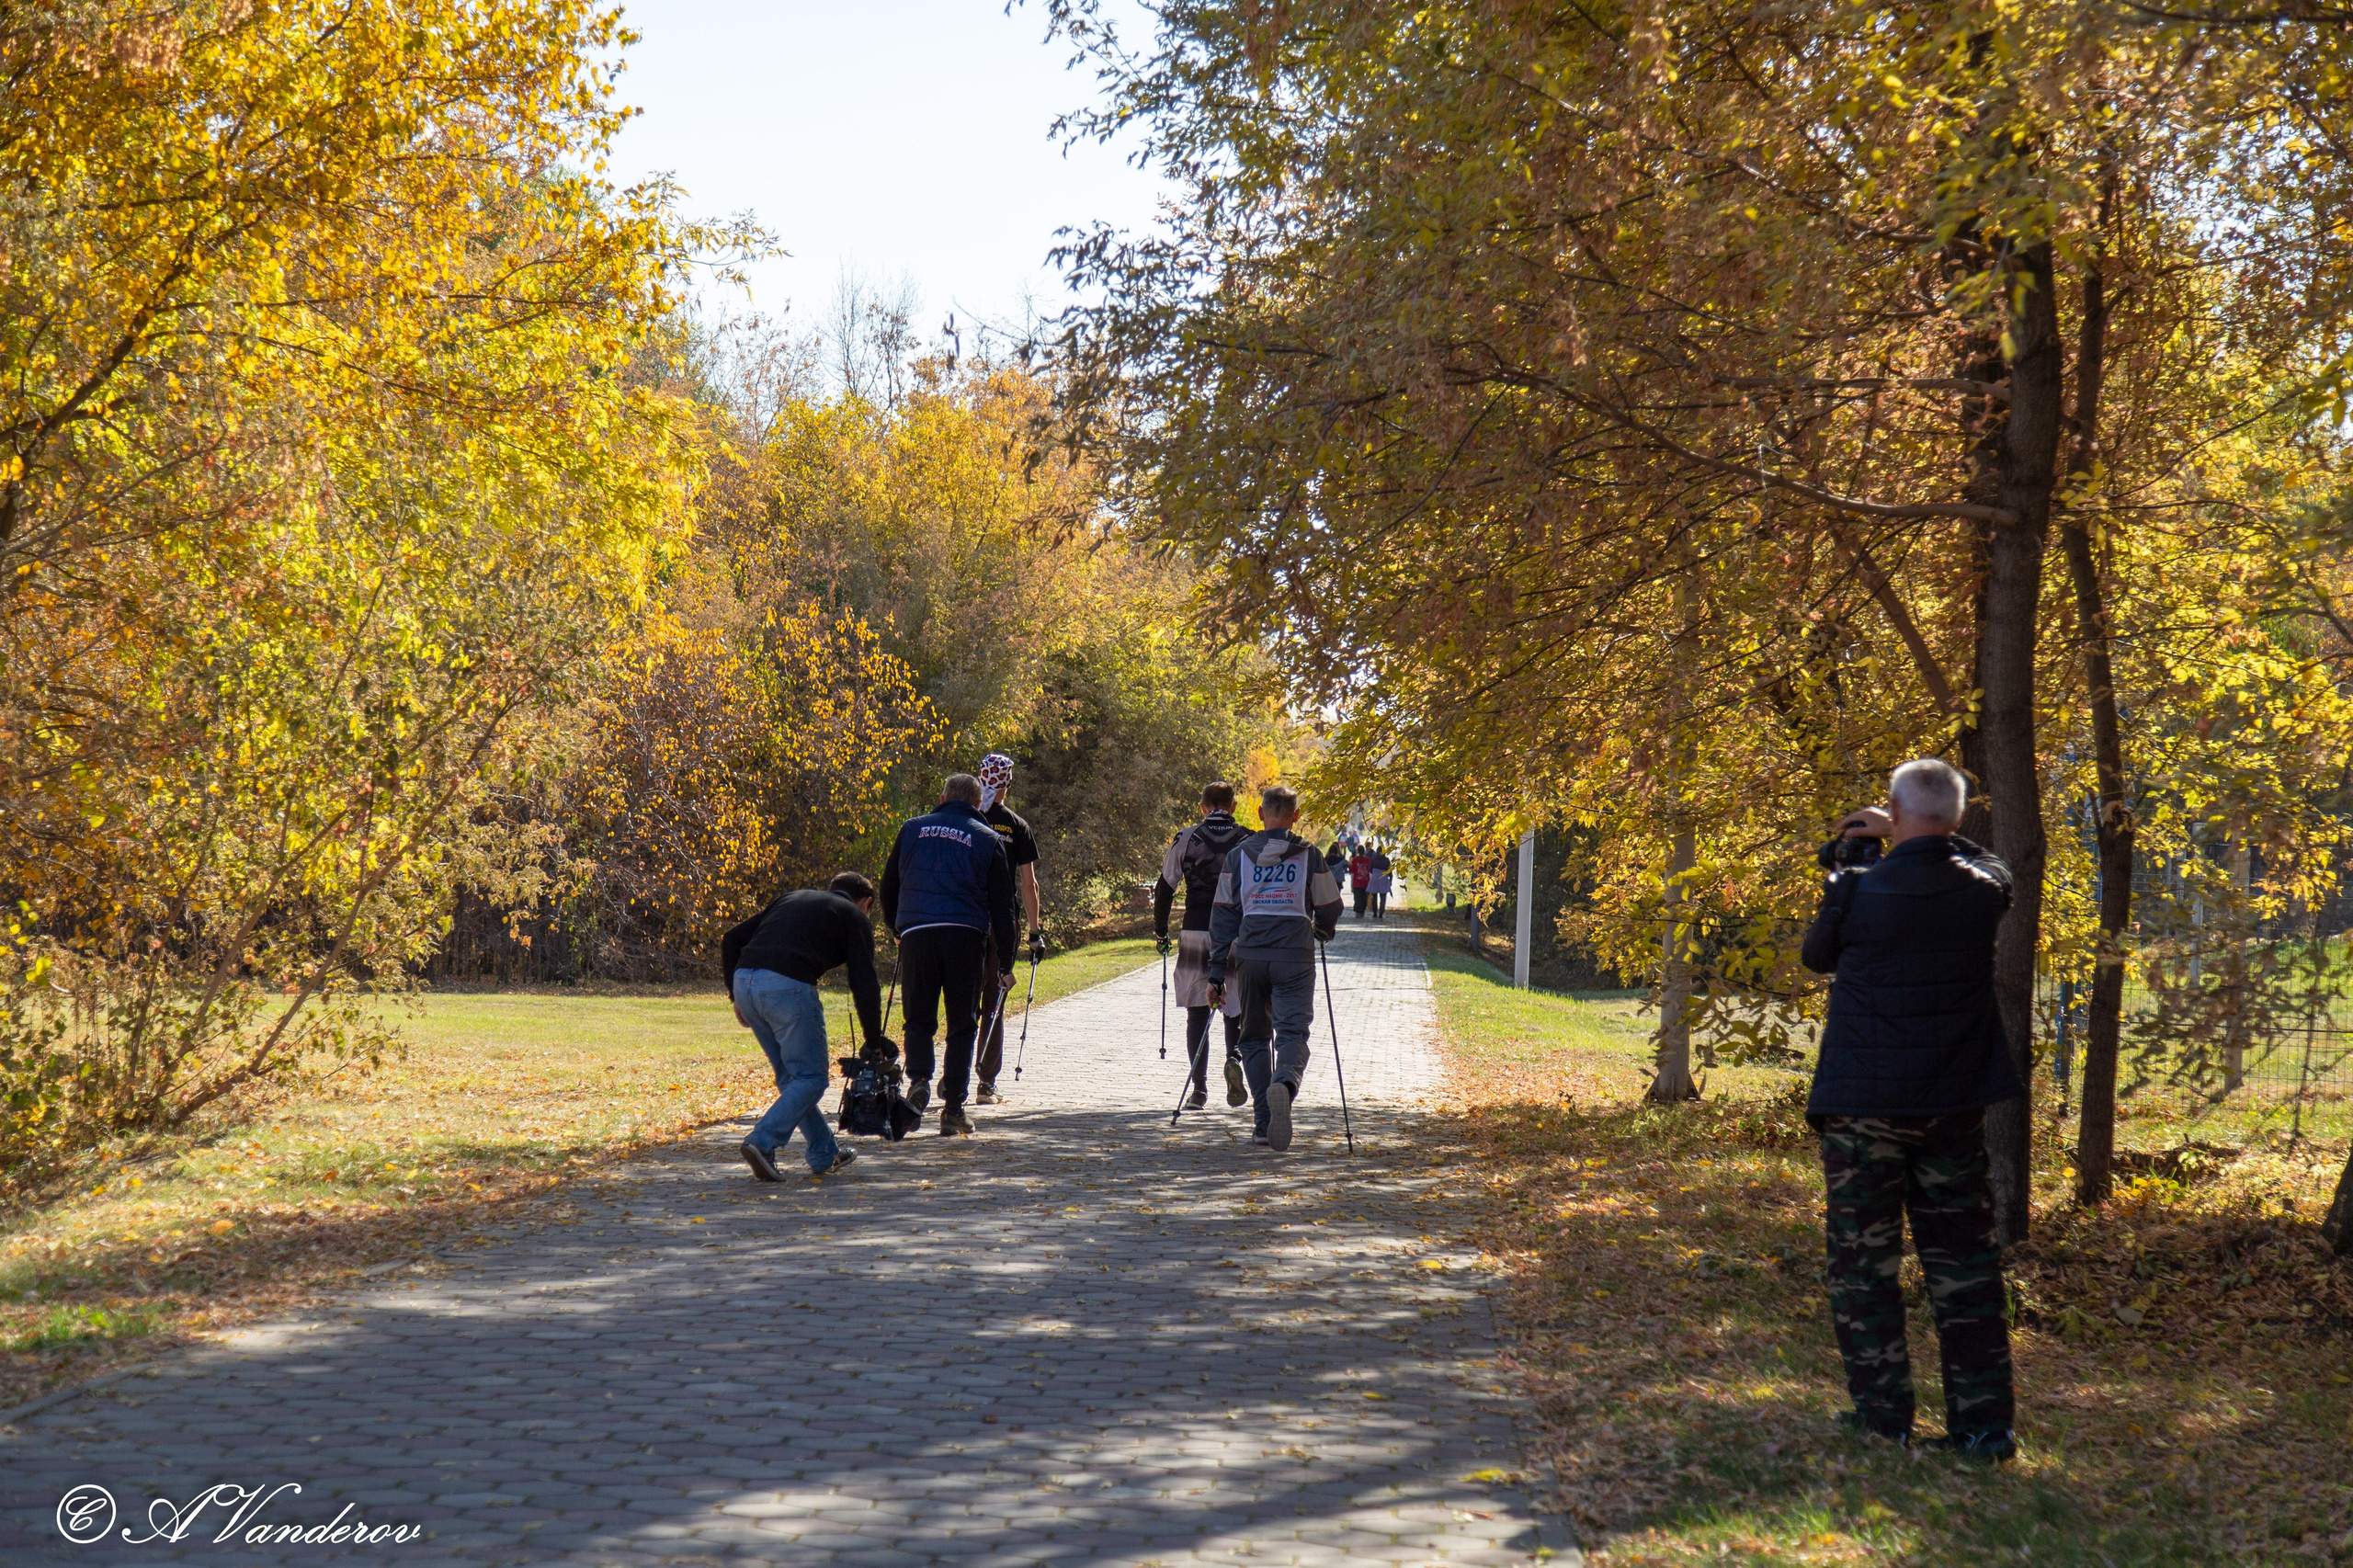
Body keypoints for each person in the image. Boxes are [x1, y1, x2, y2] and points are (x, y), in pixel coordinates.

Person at [1802, 757, 2023, 1460]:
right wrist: (1931, 833)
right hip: (1952, 1104)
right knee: (1964, 1267)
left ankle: (1883, 1417)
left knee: (1865, 1267)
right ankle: (1984, 1429)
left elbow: (1816, 956)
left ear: (1895, 816)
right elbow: (1998, 865)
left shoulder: (1859, 889)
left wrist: (1865, 848)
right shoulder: (1981, 890)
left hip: (1865, 1105)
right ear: (1956, 821)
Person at [721, 870, 890, 1181]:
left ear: (832, 889)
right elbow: (864, 981)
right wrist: (873, 1038)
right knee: (811, 1078)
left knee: (791, 1077)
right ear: (865, 902)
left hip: (745, 981)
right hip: (788, 986)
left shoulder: (792, 898)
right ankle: (762, 1141)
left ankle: (825, 1153)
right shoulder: (854, 916)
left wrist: (735, 995)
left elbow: (731, 939)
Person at [880, 773, 1018, 1137]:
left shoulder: (911, 829)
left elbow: (888, 884)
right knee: (962, 1023)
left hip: (918, 934)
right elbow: (1004, 907)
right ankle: (954, 1107)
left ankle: (919, 1079)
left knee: (918, 1017)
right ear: (977, 804)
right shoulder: (989, 839)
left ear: (942, 798)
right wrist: (1006, 960)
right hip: (964, 936)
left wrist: (898, 927)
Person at [1206, 785, 1343, 1151]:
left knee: (1252, 1038)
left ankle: (1264, 1123)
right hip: (1295, 956)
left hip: (1251, 956)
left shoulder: (1238, 857)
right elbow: (1330, 904)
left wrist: (1216, 972)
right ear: (1296, 815)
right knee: (1292, 1033)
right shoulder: (1310, 855)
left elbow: (1222, 914)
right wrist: (1324, 931)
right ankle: (1284, 1083)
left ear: (1261, 813)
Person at [1154, 781, 1254, 1110]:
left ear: (1202, 807)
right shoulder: (1249, 839)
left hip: (1196, 929)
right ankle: (1234, 1062)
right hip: (1236, 932)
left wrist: (1161, 932)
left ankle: (1199, 1091)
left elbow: (1165, 886)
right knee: (1234, 1011)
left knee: (1197, 1013)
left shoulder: (1186, 837)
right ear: (1235, 806)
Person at [972, 752, 1045, 1104]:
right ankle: (986, 1083)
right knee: (994, 1000)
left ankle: (951, 1076)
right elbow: (1029, 885)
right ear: (1009, 784)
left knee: (963, 999)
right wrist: (1034, 932)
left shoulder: (966, 819)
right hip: (1002, 926)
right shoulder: (1017, 825)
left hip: (964, 920)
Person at [1368, 844, 1393, 919]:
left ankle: (1375, 912)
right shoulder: (1386, 860)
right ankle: (1381, 913)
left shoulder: (1373, 859)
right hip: (1384, 878)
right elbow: (1389, 871)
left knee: (1374, 896)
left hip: (1375, 877)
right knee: (1383, 896)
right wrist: (1391, 879)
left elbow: (1370, 869)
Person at [1347, 845, 1371, 919]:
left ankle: (1358, 912)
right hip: (1365, 882)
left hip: (1356, 882)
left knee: (1357, 898)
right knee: (1364, 897)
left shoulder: (1354, 860)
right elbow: (1370, 870)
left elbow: (1351, 870)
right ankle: (1362, 911)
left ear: (1358, 851)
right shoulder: (1368, 860)